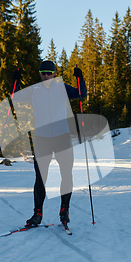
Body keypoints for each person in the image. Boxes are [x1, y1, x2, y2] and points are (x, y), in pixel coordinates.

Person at [21, 60, 85, 227]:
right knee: (41, 178)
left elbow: (80, 93)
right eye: (44, 73)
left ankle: (64, 210)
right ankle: (37, 214)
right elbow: (16, 96)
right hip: (42, 138)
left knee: (66, 174)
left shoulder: (62, 87)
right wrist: (16, 81)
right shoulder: (34, 90)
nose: (46, 76)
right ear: (40, 73)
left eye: (49, 73)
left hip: (61, 137)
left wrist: (80, 78)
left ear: (54, 73)